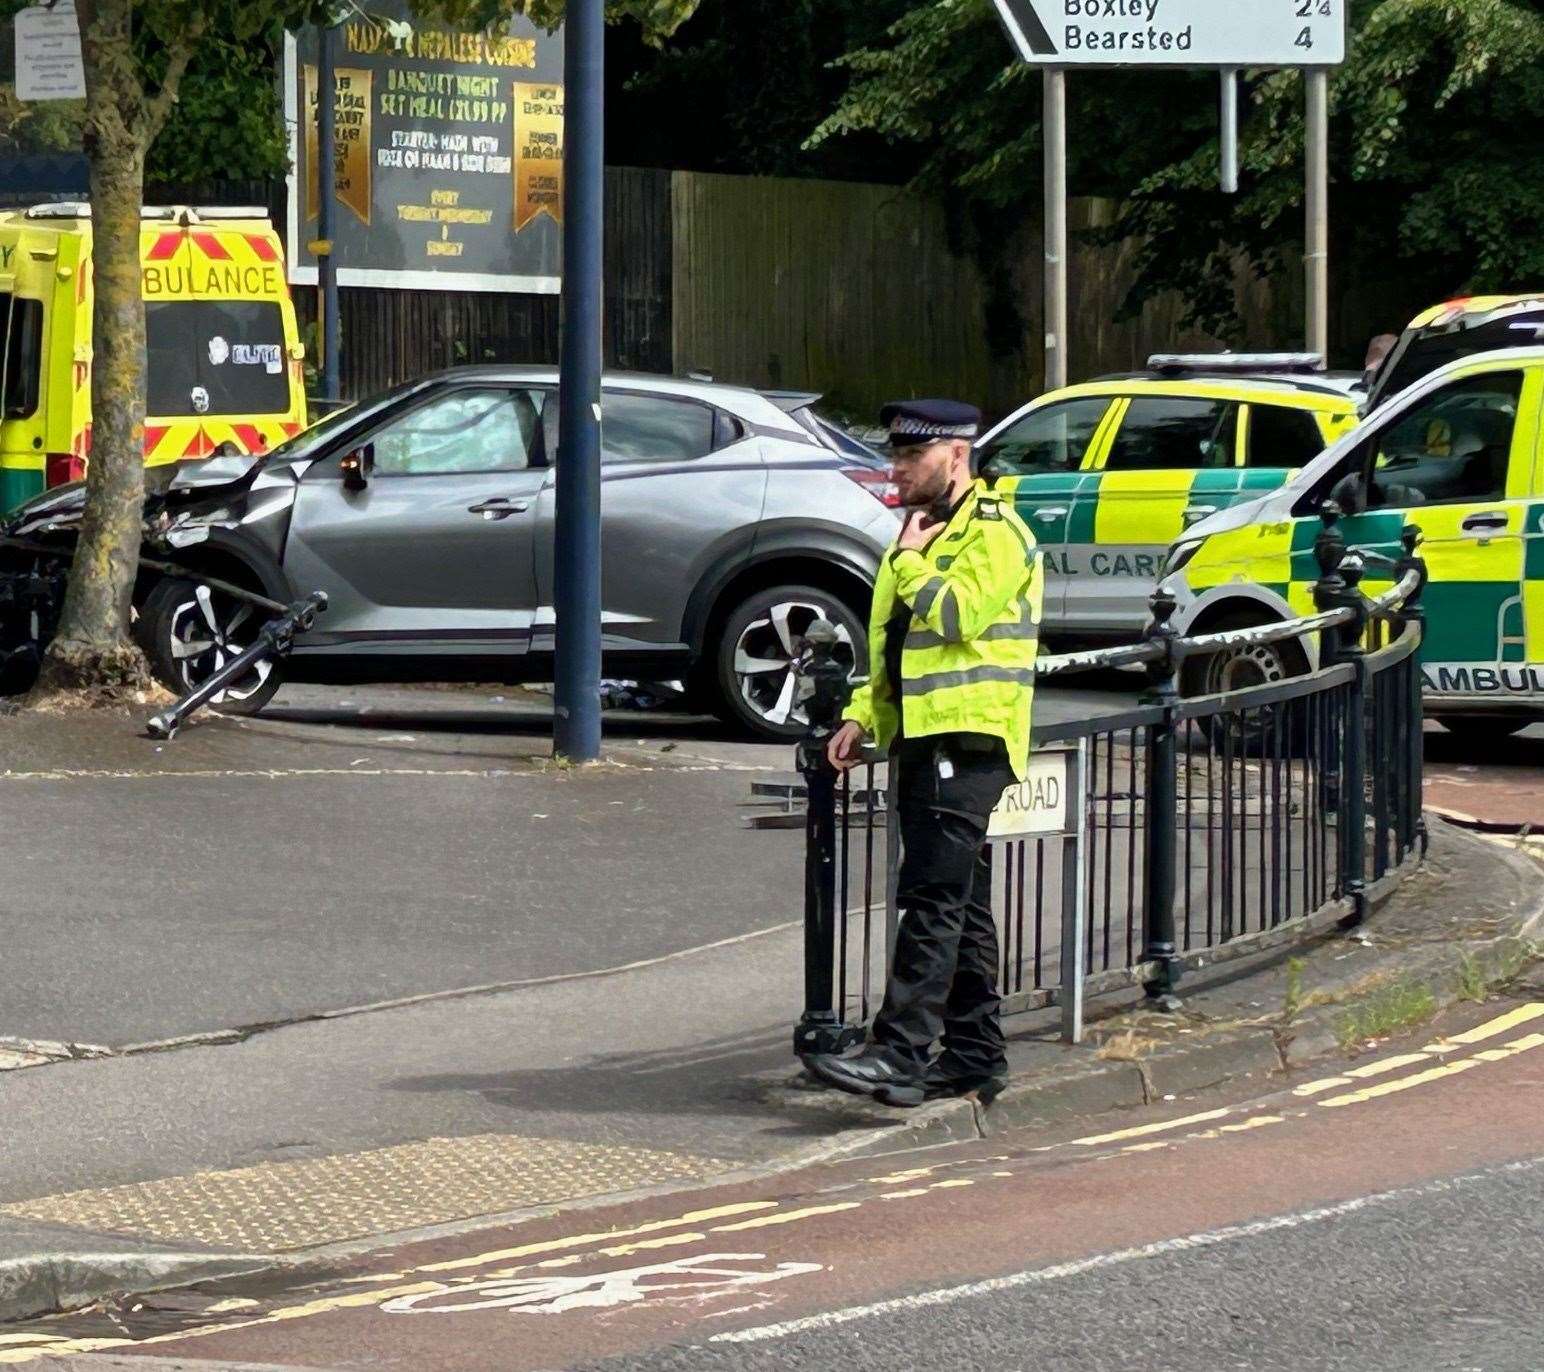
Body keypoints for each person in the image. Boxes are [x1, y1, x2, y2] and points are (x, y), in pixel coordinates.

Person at [807, 399, 1041, 1109]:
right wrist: (862, 716)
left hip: (969, 742)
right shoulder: (923, 533)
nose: (898, 469)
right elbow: (896, 648)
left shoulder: (994, 534)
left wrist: (908, 564)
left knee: (931, 899)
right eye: (897, 456)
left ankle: (900, 1053)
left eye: (913, 456)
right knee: (961, 905)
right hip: (926, 739)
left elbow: (958, 615)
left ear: (958, 455)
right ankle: (974, 1054)